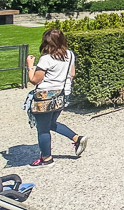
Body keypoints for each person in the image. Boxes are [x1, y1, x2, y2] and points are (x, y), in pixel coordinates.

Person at [25, 29, 88, 167]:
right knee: (51, 123)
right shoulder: (69, 55)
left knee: (43, 129)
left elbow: (35, 80)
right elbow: (72, 74)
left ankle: (46, 159)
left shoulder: (46, 59)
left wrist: (30, 66)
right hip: (61, 94)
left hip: (44, 97)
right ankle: (77, 138)